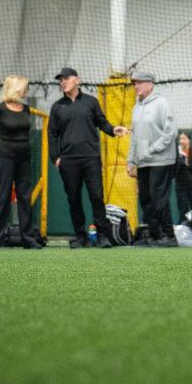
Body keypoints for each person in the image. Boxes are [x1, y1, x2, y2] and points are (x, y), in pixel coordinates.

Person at [48, 67, 128, 249]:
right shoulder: (57, 107)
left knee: (96, 197)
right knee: (73, 198)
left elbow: (102, 123)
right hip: (68, 161)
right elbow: (52, 135)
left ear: (77, 80)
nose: (63, 82)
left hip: (91, 158)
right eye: (60, 80)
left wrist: (114, 130)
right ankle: (80, 236)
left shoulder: (91, 102)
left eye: (66, 78)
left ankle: (102, 236)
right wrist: (56, 159)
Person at [0, 74, 40, 249]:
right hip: (5, 157)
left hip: (24, 158)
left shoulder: (26, 109)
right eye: (25, 87)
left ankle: (28, 239)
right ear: (16, 88)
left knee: (25, 197)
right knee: (2, 196)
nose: (27, 90)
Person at [126, 71, 178, 247]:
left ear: (150, 84)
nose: (136, 87)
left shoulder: (161, 104)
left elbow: (171, 132)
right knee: (146, 200)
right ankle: (155, 236)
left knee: (159, 198)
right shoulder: (136, 107)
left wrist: (151, 150)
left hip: (161, 160)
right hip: (143, 161)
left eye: (139, 83)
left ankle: (169, 236)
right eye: (134, 84)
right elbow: (134, 136)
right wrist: (130, 160)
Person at [174, 132, 192, 221]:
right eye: (180, 139)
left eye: (184, 138)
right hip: (181, 185)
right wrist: (181, 159)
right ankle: (181, 229)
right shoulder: (176, 155)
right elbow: (175, 169)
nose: (182, 141)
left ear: (189, 140)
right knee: (183, 209)